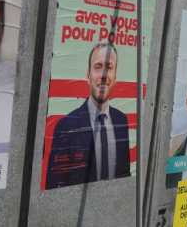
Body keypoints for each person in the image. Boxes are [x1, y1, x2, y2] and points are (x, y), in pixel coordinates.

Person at [45, 43, 130, 189]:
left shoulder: (122, 121)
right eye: (98, 67)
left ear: (115, 76)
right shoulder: (65, 127)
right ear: (88, 75)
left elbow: (124, 176)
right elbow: (54, 188)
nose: (103, 75)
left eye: (109, 67)